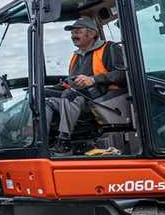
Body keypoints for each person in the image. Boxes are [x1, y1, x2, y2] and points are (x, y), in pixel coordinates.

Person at [45, 17, 129, 154]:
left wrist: (93, 79)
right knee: (42, 95)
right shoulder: (76, 56)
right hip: (79, 95)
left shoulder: (110, 48)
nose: (73, 36)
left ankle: (64, 140)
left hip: (104, 96)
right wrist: (52, 89)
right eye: (72, 33)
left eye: (78, 32)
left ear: (91, 33)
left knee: (71, 95)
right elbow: (71, 82)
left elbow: (123, 74)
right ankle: (44, 139)